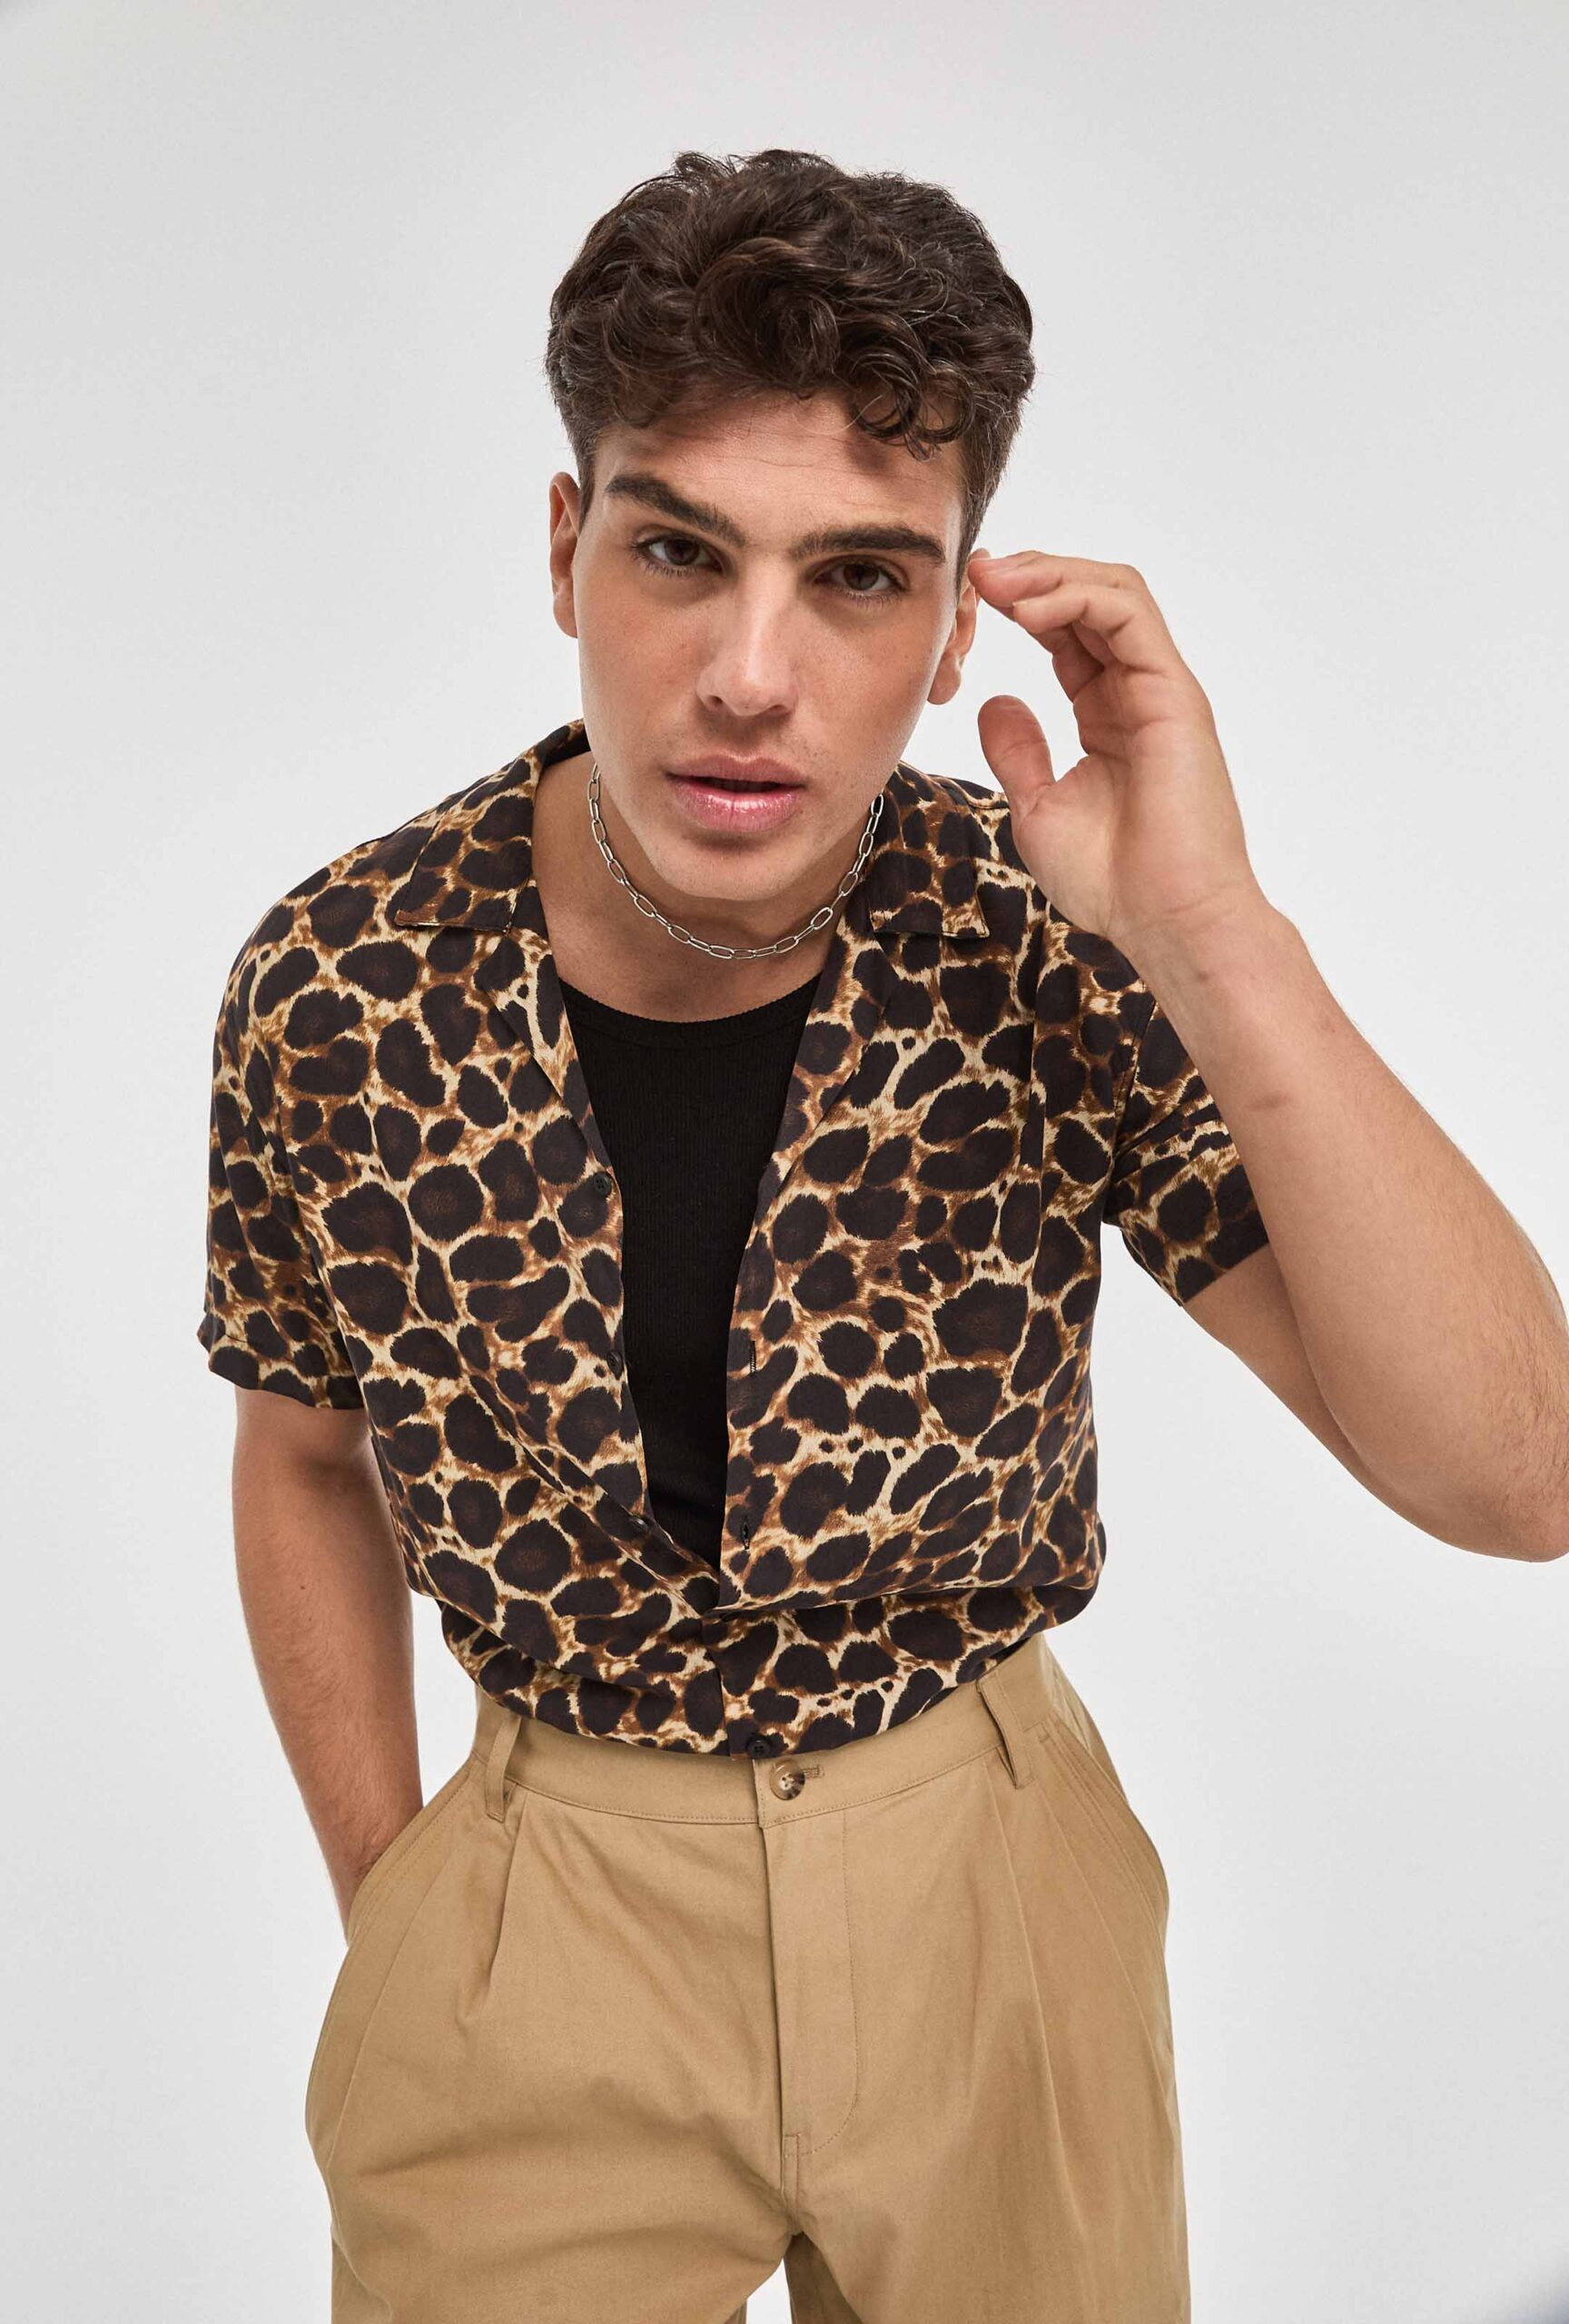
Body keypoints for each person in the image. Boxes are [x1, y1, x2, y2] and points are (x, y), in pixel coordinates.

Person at [197, 147, 1569, 2324]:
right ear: (566, 550)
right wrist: (405, 1910)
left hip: (989, 1889)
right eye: (678, 549)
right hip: (541, 1911)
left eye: (853, 577)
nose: (750, 675)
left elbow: (1518, 1476)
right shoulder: (344, 982)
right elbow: (298, 1449)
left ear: (948, 633)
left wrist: (1217, 932)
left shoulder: (1041, 940)